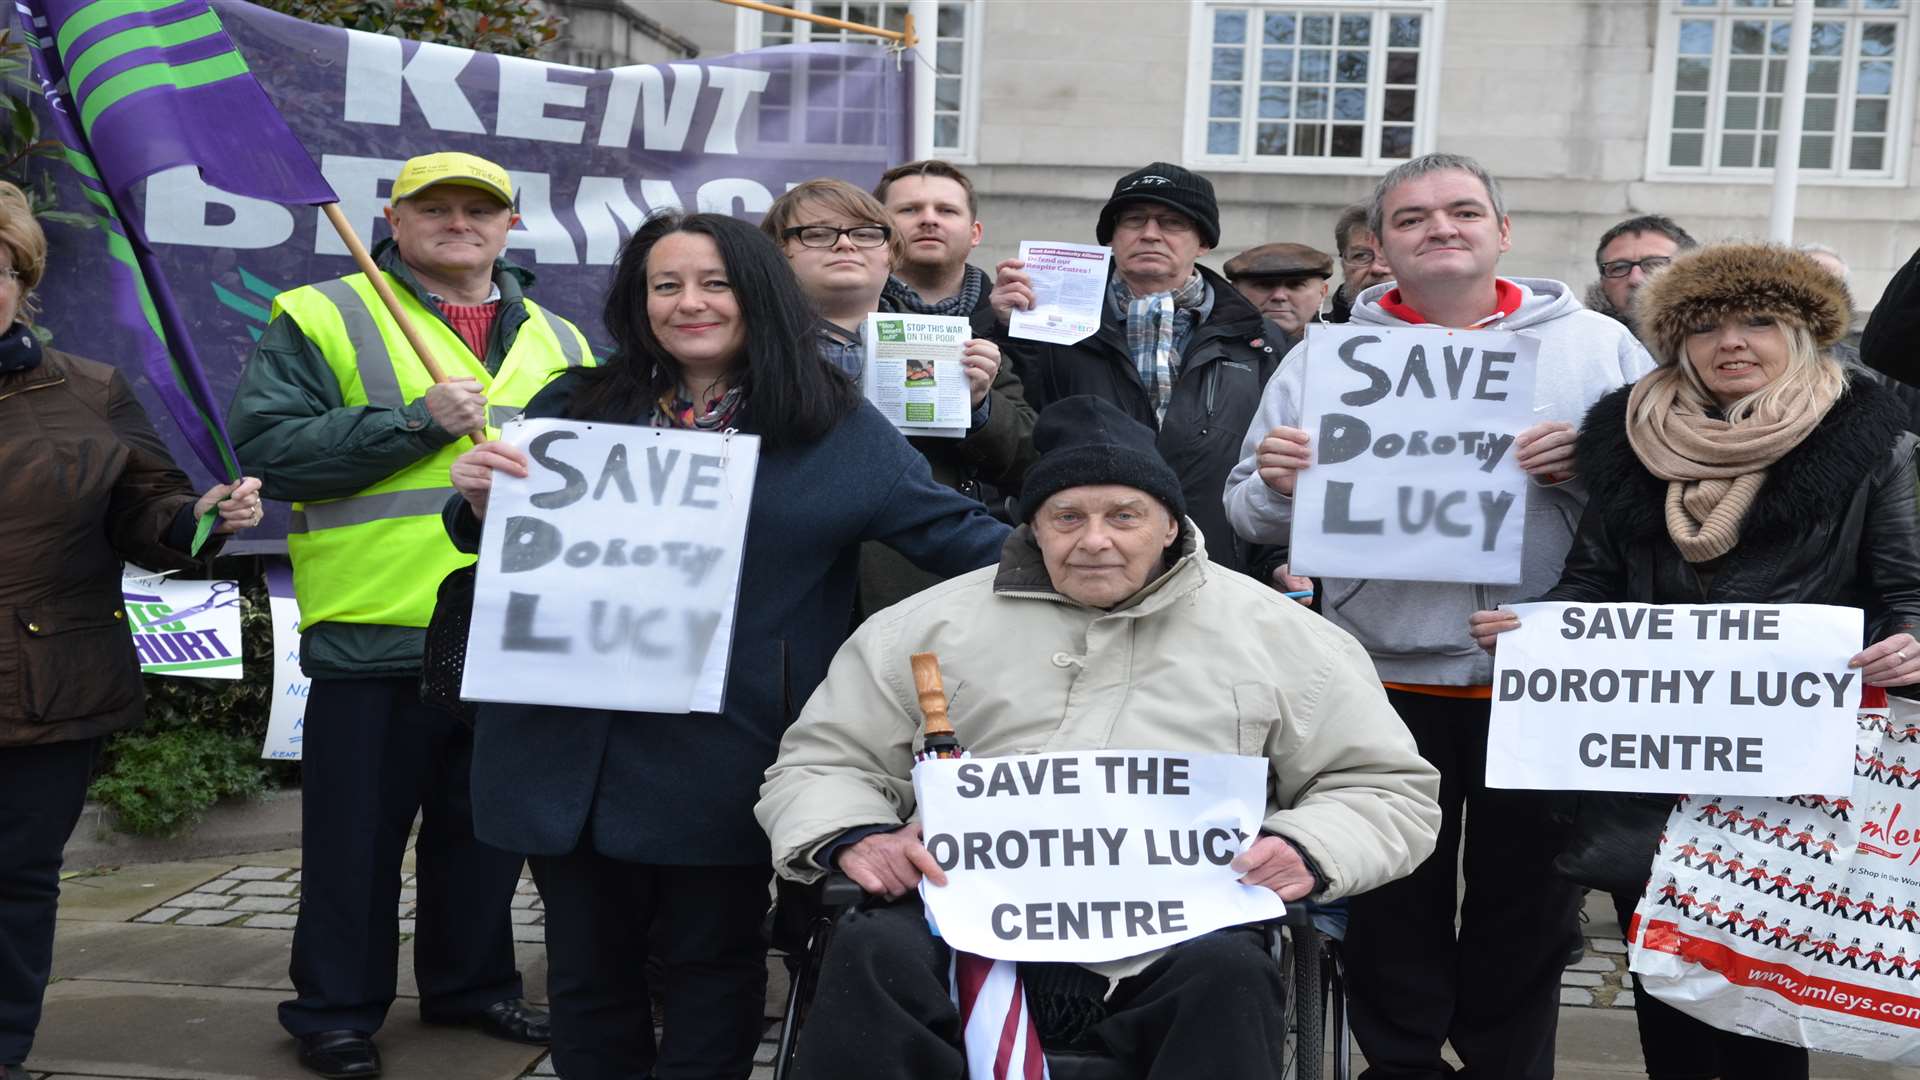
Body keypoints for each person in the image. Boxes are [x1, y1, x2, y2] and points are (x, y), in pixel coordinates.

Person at [444, 211, 1009, 1080]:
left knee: (715, 971)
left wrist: (1123, 545)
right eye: (665, 284)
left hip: (724, 751)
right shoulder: (575, 404)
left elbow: (967, 539)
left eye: (715, 283)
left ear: (759, 296)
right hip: (565, 750)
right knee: (587, 976)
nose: (689, 303)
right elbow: (499, 539)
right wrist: (481, 499)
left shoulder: (834, 428)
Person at [757, 394, 1441, 1079]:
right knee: (870, 952)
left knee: (1232, 974)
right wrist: (858, 837)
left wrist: (1306, 846)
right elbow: (824, 761)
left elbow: (1383, 787)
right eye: (1067, 517)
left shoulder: (1288, 640)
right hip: (959, 919)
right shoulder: (920, 629)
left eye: (1124, 516)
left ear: (1171, 525)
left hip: (1183, 932)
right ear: (1033, 527)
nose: (1094, 540)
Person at [1224, 152, 1655, 1080]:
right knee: (1388, 895)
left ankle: (1509, 1065)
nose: (1441, 229)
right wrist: (1276, 484)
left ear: (1504, 231)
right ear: (1379, 248)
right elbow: (1244, 513)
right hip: (1377, 675)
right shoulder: (1323, 358)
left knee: (1533, 904)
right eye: (1414, 218)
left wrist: (1591, 474)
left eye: (1463, 211)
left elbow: (1660, 511)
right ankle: (1401, 1063)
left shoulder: (1597, 350)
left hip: (1542, 673)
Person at [1470, 242, 1920, 1080]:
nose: (1732, 342)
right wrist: (1539, 630)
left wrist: (1910, 646)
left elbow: (1909, 588)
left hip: (1789, 774)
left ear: (1801, 333)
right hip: (1655, 768)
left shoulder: (1873, 442)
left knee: (1766, 994)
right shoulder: (1627, 439)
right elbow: (1593, 579)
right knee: (1664, 980)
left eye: (1759, 321)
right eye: (1705, 326)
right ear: (1678, 342)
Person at [230, 151, 591, 1078]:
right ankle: (335, 1012)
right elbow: (274, 452)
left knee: (486, 833)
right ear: (394, 219)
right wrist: (417, 424)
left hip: (511, 628)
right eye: (437, 208)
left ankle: (472, 987)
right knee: (355, 843)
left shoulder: (562, 338)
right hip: (378, 627)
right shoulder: (321, 313)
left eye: (482, 209)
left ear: (512, 226)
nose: (459, 222)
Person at [0, 178, 262, 1080]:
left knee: (17, 884)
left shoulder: (90, 390)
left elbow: (145, 509)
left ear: (21, 280)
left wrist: (202, 518)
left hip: (43, 681)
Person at [990, 162, 1283, 576]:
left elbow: (1273, 462)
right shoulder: (1043, 322)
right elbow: (1010, 432)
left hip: (1218, 569)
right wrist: (1005, 329)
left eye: (1172, 222)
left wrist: (1276, 560)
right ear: (1111, 237)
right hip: (1084, 563)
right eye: (1133, 221)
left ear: (1203, 241)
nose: (1150, 233)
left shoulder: (1258, 337)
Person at [762, 177, 1035, 611]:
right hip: (788, 594)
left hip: (916, 592)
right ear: (778, 251)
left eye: (866, 234)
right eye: (817, 233)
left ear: (890, 253)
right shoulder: (744, 352)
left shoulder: (955, 343)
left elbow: (1029, 460)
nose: (844, 246)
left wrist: (980, 406)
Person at [1587, 214, 1697, 335]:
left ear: (1689, 274)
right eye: (1619, 267)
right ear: (1603, 283)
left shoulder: (1718, 344)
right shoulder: (1578, 345)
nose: (1635, 279)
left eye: (1655, 265)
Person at [1221, 241, 1333, 351]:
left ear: (1322, 293)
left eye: (1295, 284)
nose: (1279, 296)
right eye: (1264, 284)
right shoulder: (1210, 343)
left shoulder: (1340, 346)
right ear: (1235, 291)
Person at [1330, 202, 1395, 323]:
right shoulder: (1314, 338)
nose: (1377, 268)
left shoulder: (1441, 337)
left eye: (1390, 254)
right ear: (1343, 264)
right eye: (1361, 255)